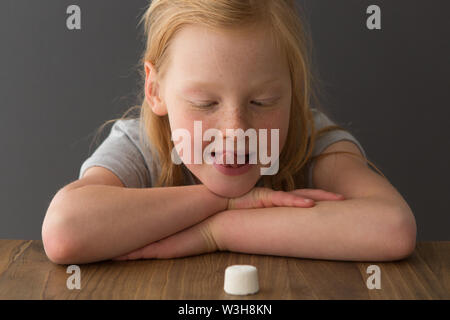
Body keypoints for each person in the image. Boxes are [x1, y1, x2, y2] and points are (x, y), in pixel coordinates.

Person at [42, 0, 416, 265]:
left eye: (264, 101)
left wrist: (217, 232)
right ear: (155, 90)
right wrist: (225, 200)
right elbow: (65, 230)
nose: (236, 133)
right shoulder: (141, 146)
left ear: (294, 91)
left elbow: (392, 227)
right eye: (205, 104)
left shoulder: (313, 142)